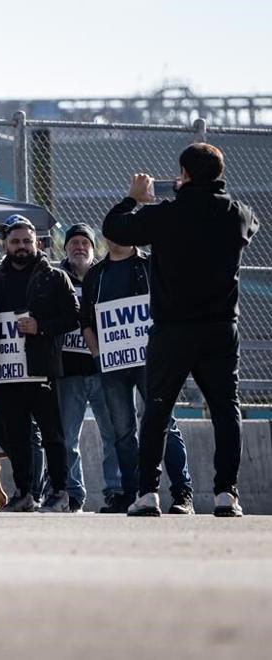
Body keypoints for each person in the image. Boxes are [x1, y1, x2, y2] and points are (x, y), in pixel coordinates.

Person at [102, 144, 258, 517]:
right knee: (224, 409)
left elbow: (114, 230)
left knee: (156, 410)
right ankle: (226, 494)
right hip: (220, 328)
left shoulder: (166, 215)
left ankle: (148, 493)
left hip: (173, 329)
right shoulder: (237, 214)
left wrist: (133, 199)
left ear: (184, 174)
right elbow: (248, 223)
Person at [81, 236, 194, 514]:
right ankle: (134, 495)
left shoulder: (151, 265)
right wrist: (97, 356)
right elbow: (85, 321)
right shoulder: (96, 274)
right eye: (111, 231)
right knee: (122, 432)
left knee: (164, 422)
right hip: (112, 365)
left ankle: (182, 493)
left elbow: (175, 304)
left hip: (152, 361)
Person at [0, 214, 78, 513]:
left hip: (41, 369)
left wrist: (41, 326)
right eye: (16, 241)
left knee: (52, 434)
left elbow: (72, 317)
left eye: (27, 241)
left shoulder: (55, 276)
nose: (22, 246)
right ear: (5, 244)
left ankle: (59, 492)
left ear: (38, 243)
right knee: (16, 436)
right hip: (5, 371)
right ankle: (24, 492)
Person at [54, 223, 119, 513]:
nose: (79, 247)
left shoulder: (107, 277)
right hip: (68, 372)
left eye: (85, 243)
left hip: (105, 370)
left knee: (115, 434)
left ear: (94, 250)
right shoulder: (54, 279)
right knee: (67, 437)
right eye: (74, 243)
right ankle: (72, 494)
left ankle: (117, 491)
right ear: (65, 248)